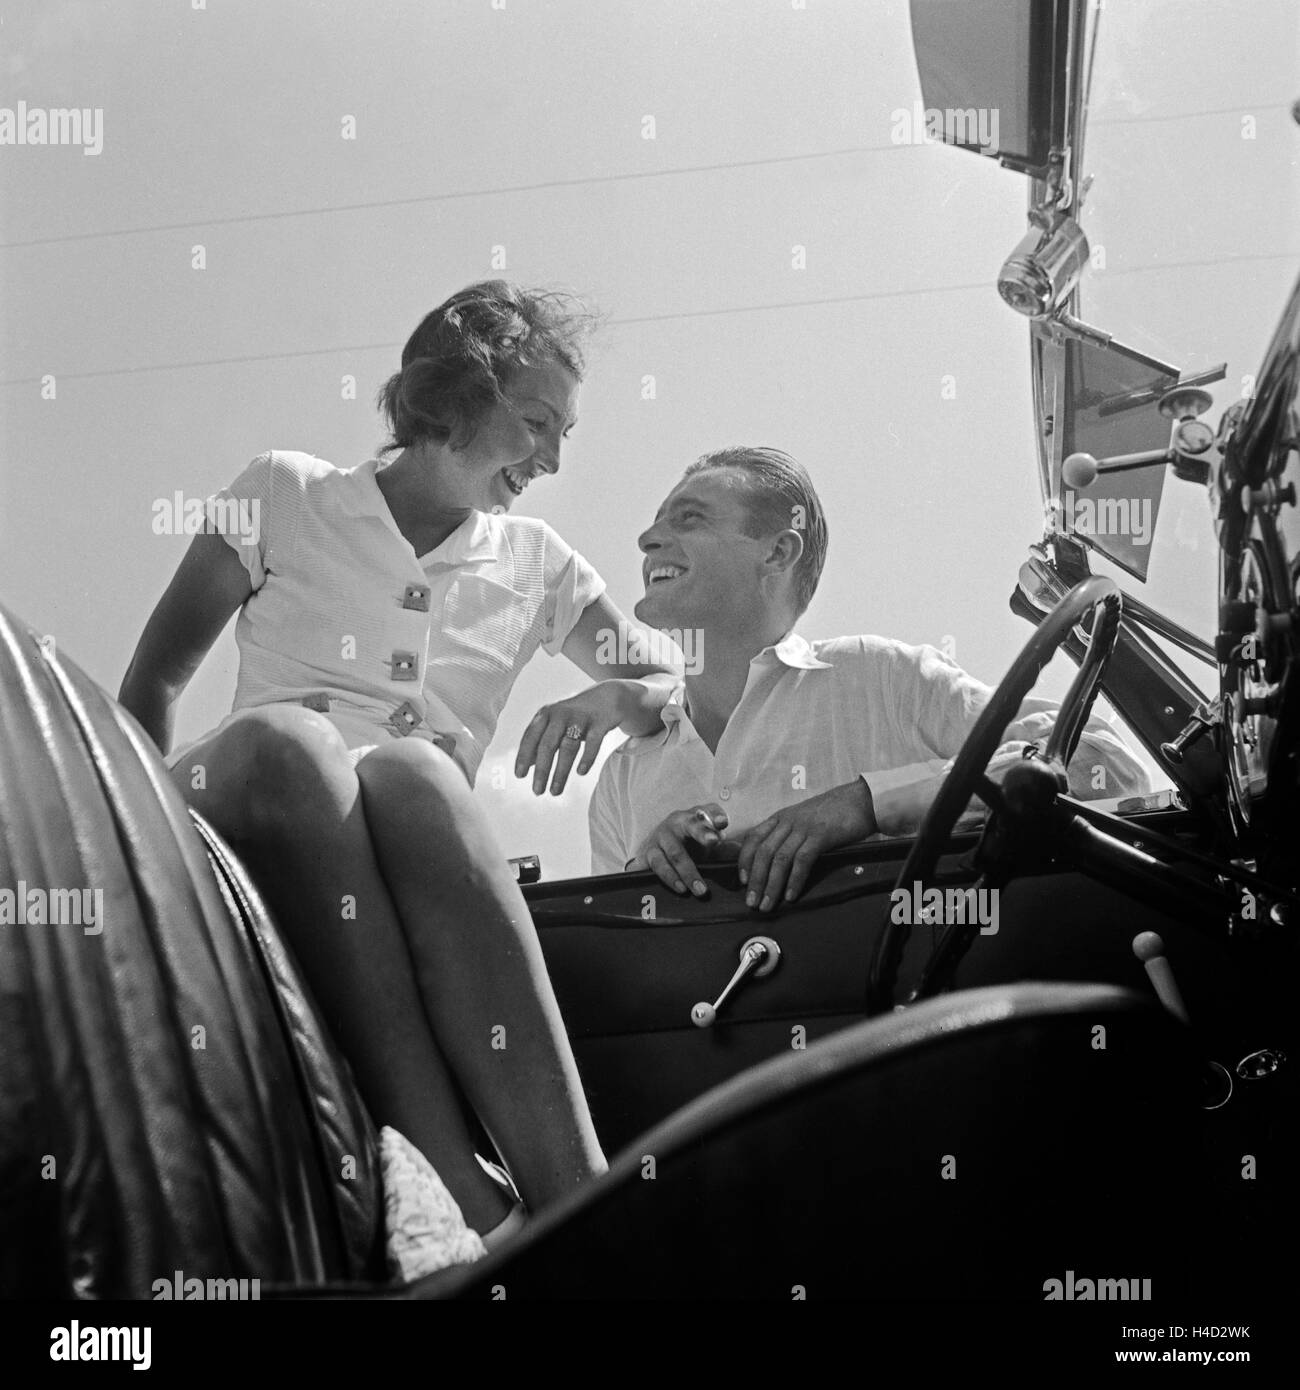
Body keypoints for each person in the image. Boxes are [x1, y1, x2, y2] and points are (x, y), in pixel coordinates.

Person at [119, 281, 679, 1253]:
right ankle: (456, 1176)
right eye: (536, 422)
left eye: (565, 435)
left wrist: (611, 694)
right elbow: (154, 684)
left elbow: (662, 681)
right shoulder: (286, 491)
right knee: (296, 746)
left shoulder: (534, 559)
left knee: (417, 776)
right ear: (457, 392)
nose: (549, 459)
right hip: (250, 807)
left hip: (405, 838)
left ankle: (590, 1216)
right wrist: (128, 865)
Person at [588, 446, 1149, 906]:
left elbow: (1105, 766)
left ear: (778, 553)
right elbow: (611, 971)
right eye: (659, 520)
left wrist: (868, 804)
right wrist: (644, 874)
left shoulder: (880, 677)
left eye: (689, 518)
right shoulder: (622, 777)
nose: (649, 538)